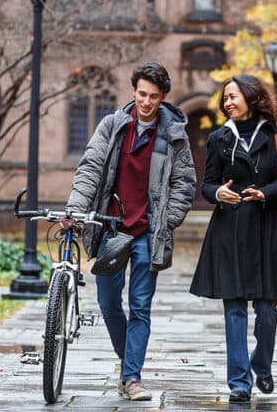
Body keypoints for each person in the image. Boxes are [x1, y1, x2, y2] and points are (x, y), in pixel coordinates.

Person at [65, 62, 196, 401]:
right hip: (111, 230)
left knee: (140, 306)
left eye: (154, 96)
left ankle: (133, 377)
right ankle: (128, 363)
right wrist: (76, 210)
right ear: (133, 91)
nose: (146, 102)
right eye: (141, 94)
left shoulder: (174, 134)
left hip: (148, 233)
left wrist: (168, 221)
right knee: (108, 303)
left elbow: (184, 184)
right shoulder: (113, 126)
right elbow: (90, 167)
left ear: (163, 97)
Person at [189, 74, 277, 403]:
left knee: (267, 310)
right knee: (234, 307)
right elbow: (207, 184)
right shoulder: (219, 138)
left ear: (252, 98)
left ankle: (261, 364)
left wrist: (265, 193)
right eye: (225, 98)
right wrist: (219, 193)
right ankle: (239, 381)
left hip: (269, 228)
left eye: (233, 96)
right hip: (231, 228)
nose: (228, 102)